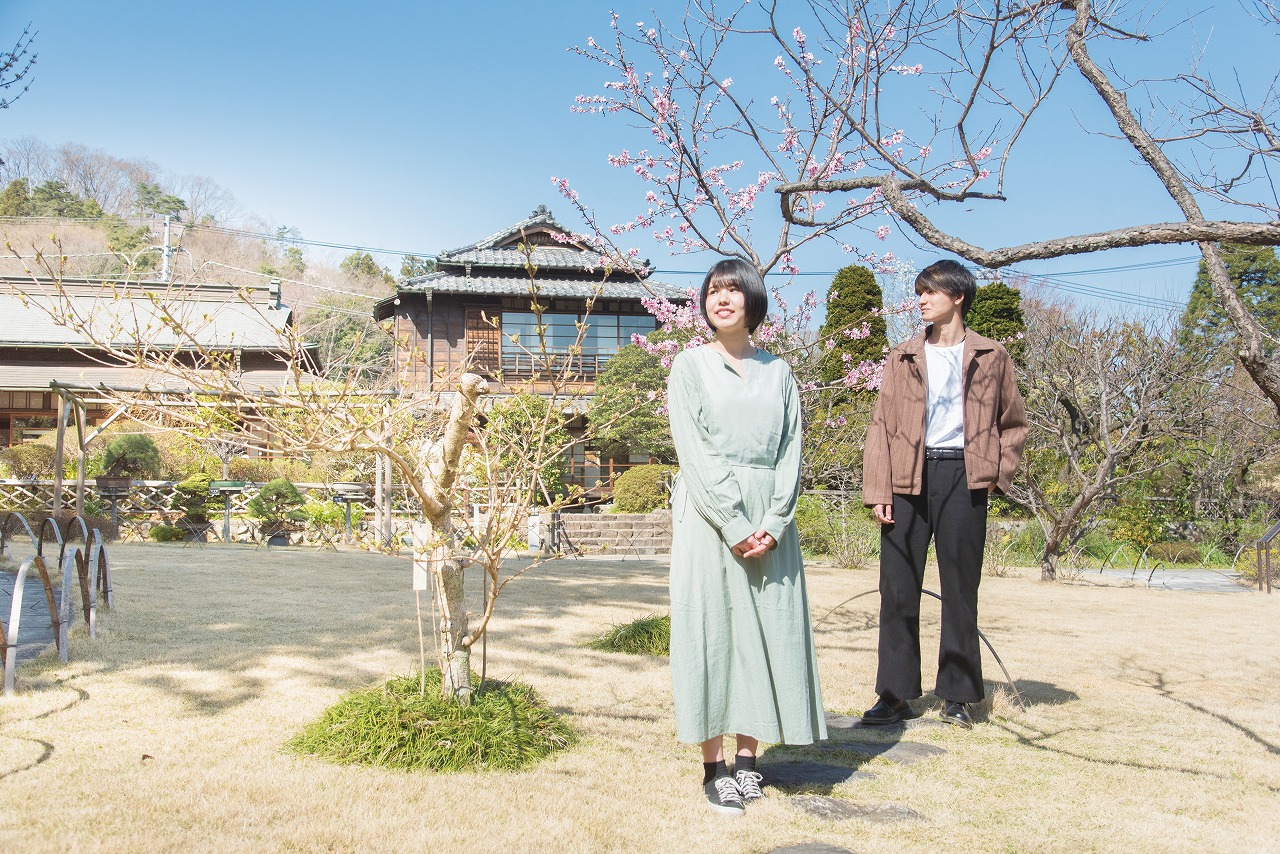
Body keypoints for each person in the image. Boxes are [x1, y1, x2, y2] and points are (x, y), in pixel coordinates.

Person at [666, 258, 827, 816]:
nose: (722, 299)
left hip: (770, 517)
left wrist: (776, 521)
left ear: (753, 300)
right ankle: (713, 766)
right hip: (711, 516)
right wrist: (735, 523)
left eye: (733, 290)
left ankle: (749, 763)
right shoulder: (688, 366)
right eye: (713, 291)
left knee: (766, 631)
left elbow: (791, 449)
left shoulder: (780, 370)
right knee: (712, 632)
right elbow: (695, 451)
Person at [861, 260, 1027, 729]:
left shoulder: (992, 356)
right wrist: (878, 488)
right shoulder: (903, 356)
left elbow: (1013, 423)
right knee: (896, 588)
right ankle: (893, 695)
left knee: (959, 589)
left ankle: (957, 695)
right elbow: (881, 425)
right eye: (919, 292)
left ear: (957, 296)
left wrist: (997, 473)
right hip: (905, 478)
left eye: (930, 292)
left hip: (965, 476)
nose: (921, 300)